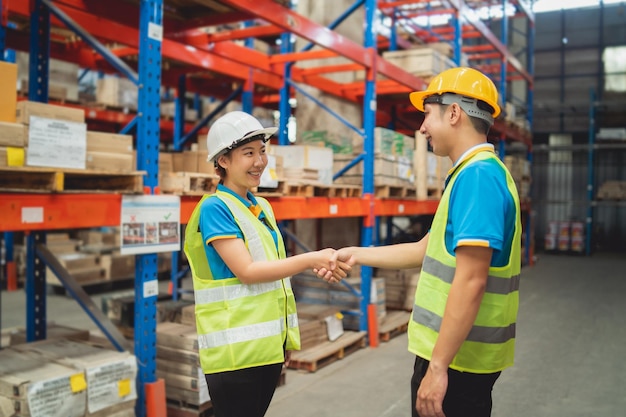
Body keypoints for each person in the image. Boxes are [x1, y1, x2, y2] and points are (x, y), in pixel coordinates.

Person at [321, 67, 522, 417]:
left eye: (427, 115)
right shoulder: (469, 174)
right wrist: (356, 254)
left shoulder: (478, 178)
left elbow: (472, 280)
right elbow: (424, 248)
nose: (422, 127)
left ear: (455, 113)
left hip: (459, 362)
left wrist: (439, 368)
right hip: (456, 356)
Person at [184, 111, 348, 417]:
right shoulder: (215, 209)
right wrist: (312, 258)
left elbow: (275, 281)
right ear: (223, 160)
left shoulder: (261, 206)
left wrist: (282, 339)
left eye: (262, 151)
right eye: (248, 153)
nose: (259, 162)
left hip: (266, 347)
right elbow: (247, 272)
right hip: (235, 352)